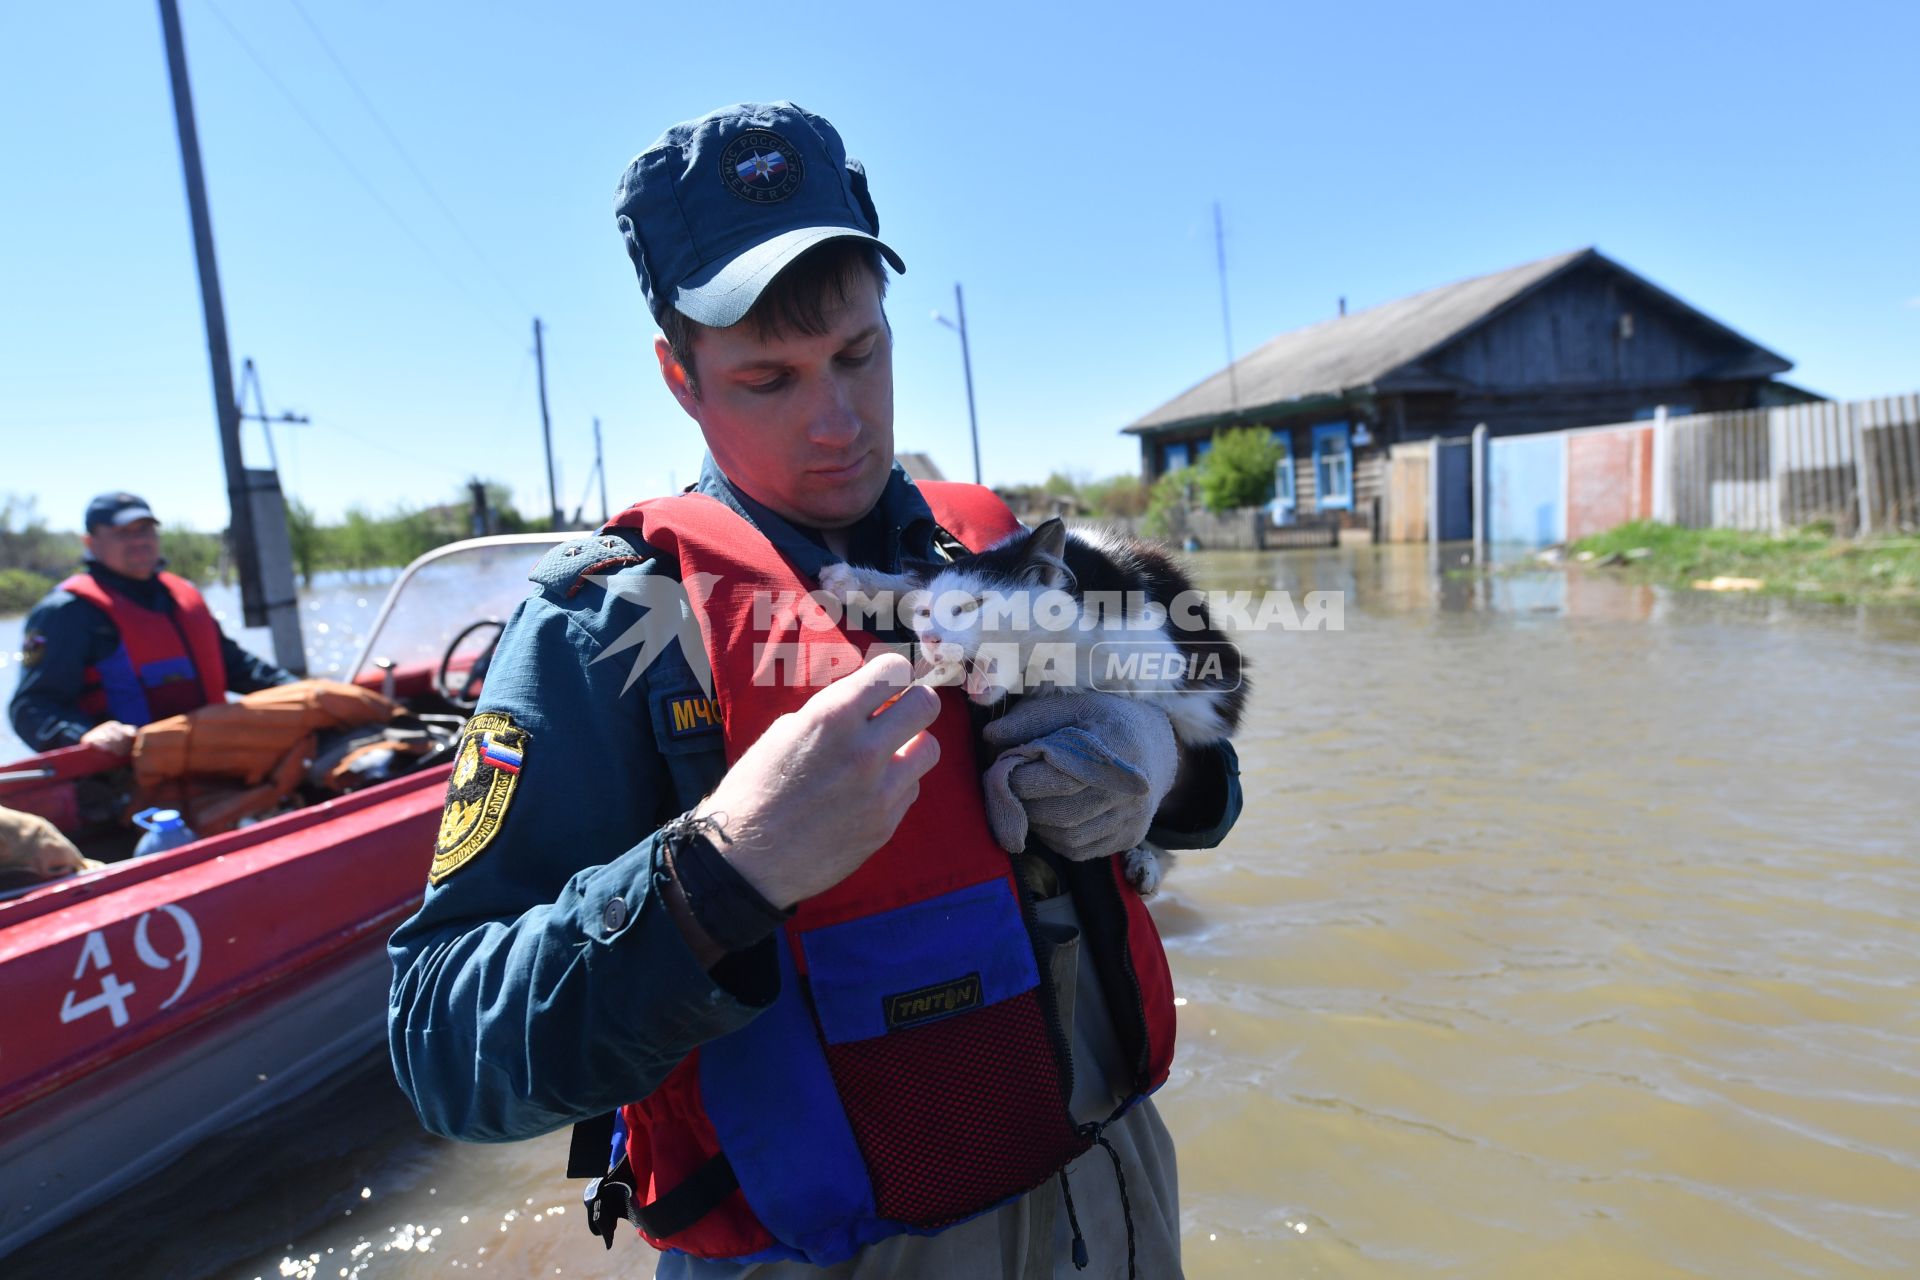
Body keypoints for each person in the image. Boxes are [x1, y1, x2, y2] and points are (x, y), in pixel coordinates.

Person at [387, 102, 1244, 1278]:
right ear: (680, 378)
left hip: (1117, 1199)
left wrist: (1156, 765)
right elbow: (442, 1047)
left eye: (858, 353)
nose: (837, 421)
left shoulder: (998, 547)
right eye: (766, 378)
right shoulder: (609, 625)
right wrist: (719, 870)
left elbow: (1209, 772)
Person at [7, 492, 297, 756]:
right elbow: (31, 707)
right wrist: (82, 736)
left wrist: (300, 689)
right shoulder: (67, 612)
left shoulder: (183, 596)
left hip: (213, 755)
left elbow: (236, 666)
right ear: (90, 542)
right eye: (123, 533)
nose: (139, 540)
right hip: (128, 772)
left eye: (145, 530)